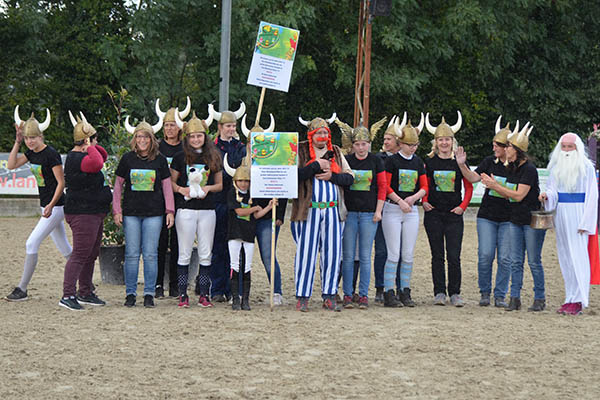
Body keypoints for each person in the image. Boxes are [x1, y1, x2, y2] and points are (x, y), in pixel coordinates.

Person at [5, 107, 72, 302]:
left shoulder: (51, 154)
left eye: (33, 137)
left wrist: (51, 205)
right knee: (65, 248)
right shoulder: (31, 152)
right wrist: (17, 142)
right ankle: (86, 282)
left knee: (31, 243)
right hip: (47, 207)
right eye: (27, 138)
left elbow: (61, 183)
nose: (30, 141)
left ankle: (22, 289)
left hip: (56, 207)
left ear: (41, 136)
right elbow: (11, 165)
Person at [481, 121, 546, 312]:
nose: (505, 148)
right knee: (516, 261)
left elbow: (518, 195)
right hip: (515, 219)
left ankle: (540, 298)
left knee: (533, 261)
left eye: (508, 146)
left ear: (517, 150)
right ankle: (514, 298)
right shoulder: (512, 168)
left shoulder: (529, 169)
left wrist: (494, 186)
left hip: (531, 220)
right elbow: (510, 193)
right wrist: (494, 185)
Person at [292, 113, 354, 312]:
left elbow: (350, 178)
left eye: (325, 132)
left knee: (333, 254)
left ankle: (329, 294)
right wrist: (314, 167)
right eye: (318, 132)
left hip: (333, 211)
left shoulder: (335, 151)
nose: (322, 136)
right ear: (310, 134)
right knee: (306, 254)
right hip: (309, 211)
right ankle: (303, 296)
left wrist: (332, 176)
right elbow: (291, 177)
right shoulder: (300, 151)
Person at [114, 113, 173, 308]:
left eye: (146, 137)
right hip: (131, 213)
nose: (142, 140)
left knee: (150, 254)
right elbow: (118, 187)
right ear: (135, 139)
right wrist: (117, 210)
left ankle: (149, 293)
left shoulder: (160, 160)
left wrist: (170, 210)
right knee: (131, 254)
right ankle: (130, 293)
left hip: (154, 213)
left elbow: (166, 187)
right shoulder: (127, 159)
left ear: (151, 139)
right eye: (139, 137)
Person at [456, 116, 512, 308]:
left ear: (507, 147)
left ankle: (500, 295)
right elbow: (473, 178)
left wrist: (496, 186)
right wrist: (462, 164)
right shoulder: (489, 162)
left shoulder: (516, 166)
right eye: (494, 144)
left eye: (497, 145)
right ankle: (485, 292)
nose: (494, 148)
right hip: (487, 216)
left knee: (505, 258)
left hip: (509, 217)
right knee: (486, 254)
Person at [540, 132, 598, 315]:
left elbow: (592, 196)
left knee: (578, 257)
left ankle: (579, 299)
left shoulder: (587, 167)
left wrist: (586, 222)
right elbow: (552, 189)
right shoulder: (556, 167)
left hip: (579, 214)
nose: (566, 150)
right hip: (562, 215)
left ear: (577, 148)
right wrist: (547, 196)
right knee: (565, 257)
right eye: (563, 146)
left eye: (569, 147)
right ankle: (569, 298)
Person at [59, 112, 112, 311]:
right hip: (83, 212)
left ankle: (85, 291)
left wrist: (90, 145)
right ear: (87, 140)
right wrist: (90, 145)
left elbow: (103, 155)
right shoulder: (76, 158)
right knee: (81, 254)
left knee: (91, 254)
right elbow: (98, 162)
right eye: (94, 138)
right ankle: (68, 294)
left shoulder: (84, 153)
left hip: (93, 211)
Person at [170, 109, 222, 308]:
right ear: (187, 137)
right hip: (186, 209)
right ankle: (183, 294)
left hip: (208, 210)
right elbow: (171, 183)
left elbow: (219, 184)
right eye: (192, 136)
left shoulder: (213, 156)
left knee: (205, 252)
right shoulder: (179, 157)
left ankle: (204, 294)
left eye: (199, 136)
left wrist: (207, 188)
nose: (196, 139)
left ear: (205, 137)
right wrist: (182, 189)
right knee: (184, 252)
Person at [335, 117, 387, 309]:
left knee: (365, 256)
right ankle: (348, 294)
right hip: (349, 214)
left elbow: (382, 186)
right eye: (357, 144)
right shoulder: (346, 161)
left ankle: (363, 294)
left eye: (364, 144)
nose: (361, 148)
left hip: (368, 214)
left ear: (369, 144)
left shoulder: (376, 161)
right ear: (353, 145)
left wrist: (378, 211)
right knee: (348, 256)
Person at [423, 111, 472, 307]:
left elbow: (469, 186)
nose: (444, 143)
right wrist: (424, 201)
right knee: (437, 255)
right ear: (435, 142)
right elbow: (424, 184)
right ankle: (439, 292)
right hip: (433, 213)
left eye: (447, 140)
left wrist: (463, 207)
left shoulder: (459, 161)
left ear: (452, 141)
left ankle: (455, 293)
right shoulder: (429, 162)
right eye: (440, 140)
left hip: (454, 214)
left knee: (454, 255)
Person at [240, 114, 287, 306]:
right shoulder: (243, 162)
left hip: (268, 217)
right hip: (247, 217)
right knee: (242, 256)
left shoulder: (274, 162)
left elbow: (283, 187)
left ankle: (276, 291)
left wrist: (280, 215)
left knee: (268, 256)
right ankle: (240, 292)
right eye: (253, 141)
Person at [381, 115, 428, 307]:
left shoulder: (418, 162)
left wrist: (413, 198)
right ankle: (388, 291)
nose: (413, 148)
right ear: (400, 144)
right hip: (392, 209)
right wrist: (400, 201)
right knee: (393, 253)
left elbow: (424, 186)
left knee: (408, 253)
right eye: (409, 144)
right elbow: (385, 186)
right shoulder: (391, 161)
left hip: (411, 210)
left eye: (415, 144)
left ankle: (405, 290)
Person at [223, 153, 274, 310]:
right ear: (235, 181)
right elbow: (239, 212)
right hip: (234, 234)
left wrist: (269, 207)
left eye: (246, 181)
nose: (244, 184)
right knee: (235, 265)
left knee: (247, 266)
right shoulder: (232, 194)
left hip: (249, 234)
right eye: (241, 181)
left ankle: (245, 299)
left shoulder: (254, 195)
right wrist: (254, 208)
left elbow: (257, 215)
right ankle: (235, 299)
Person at [209, 102, 247, 302]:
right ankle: (217, 289)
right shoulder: (213, 148)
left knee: (238, 246)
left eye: (234, 125)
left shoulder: (242, 149)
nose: (231, 129)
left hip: (239, 203)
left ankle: (236, 289)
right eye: (228, 126)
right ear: (220, 127)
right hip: (218, 202)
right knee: (218, 246)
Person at [154, 98, 189, 298]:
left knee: (178, 244)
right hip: (158, 202)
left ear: (180, 127)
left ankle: (175, 284)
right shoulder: (156, 147)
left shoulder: (185, 148)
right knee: (159, 244)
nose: (169, 128)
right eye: (166, 125)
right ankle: (158, 284)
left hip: (181, 201)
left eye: (173, 124)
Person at [373, 116, 405, 303]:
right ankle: (380, 287)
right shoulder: (379, 158)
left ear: (398, 143)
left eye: (389, 139)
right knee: (382, 250)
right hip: (383, 206)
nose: (385, 142)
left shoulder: (409, 160)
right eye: (384, 138)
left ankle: (400, 286)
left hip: (400, 209)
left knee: (399, 250)